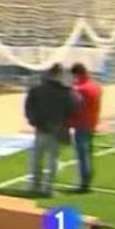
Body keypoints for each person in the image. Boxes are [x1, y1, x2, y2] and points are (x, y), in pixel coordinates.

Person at [24, 64, 78, 197]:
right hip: (57, 129)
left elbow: (28, 107)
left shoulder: (37, 89)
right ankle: (47, 188)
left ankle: (34, 185)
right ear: (59, 75)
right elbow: (73, 108)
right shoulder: (65, 91)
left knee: (37, 158)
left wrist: (33, 121)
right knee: (52, 160)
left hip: (41, 128)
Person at [69, 63, 102, 193]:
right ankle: (87, 180)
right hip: (91, 123)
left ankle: (84, 183)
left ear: (78, 74)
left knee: (83, 155)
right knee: (88, 153)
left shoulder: (80, 89)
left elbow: (75, 106)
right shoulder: (95, 86)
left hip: (81, 124)